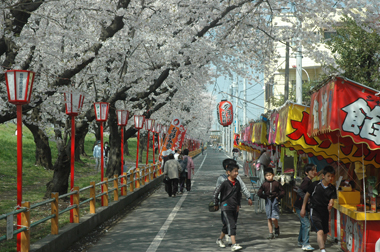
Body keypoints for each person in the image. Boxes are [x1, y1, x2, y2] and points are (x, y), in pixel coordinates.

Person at [215, 158, 253, 245]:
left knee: (230, 222)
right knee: (229, 222)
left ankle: (221, 238)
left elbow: (242, 188)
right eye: (234, 169)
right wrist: (219, 202)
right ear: (228, 168)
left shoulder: (237, 178)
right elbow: (217, 191)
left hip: (234, 204)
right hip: (225, 204)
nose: (236, 172)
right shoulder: (222, 179)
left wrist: (248, 197)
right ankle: (233, 242)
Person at [300, 166, 337, 252]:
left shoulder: (332, 188)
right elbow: (306, 196)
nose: (330, 178)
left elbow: (332, 198)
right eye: (328, 176)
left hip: (325, 211)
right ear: (323, 176)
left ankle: (322, 246)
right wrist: (303, 208)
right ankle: (322, 249)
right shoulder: (315, 185)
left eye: (332, 176)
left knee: (324, 232)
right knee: (319, 231)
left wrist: (331, 203)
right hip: (315, 210)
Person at [213, 164, 243, 251]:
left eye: (237, 171)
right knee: (232, 224)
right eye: (235, 171)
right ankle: (234, 244)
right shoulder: (225, 183)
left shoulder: (237, 183)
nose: (237, 173)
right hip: (225, 206)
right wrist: (216, 203)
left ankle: (219, 240)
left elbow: (239, 194)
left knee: (227, 225)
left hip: (234, 207)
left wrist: (238, 205)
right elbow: (216, 192)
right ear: (228, 172)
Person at [294, 164, 317, 251]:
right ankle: (305, 244)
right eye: (312, 170)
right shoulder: (306, 181)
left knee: (303, 224)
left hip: (301, 206)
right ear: (306, 172)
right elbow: (299, 190)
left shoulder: (309, 180)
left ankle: (300, 240)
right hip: (300, 206)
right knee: (306, 224)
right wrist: (307, 199)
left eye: (314, 170)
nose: (314, 172)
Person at [257, 167, 285, 239]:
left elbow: (283, 191)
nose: (268, 177)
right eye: (267, 175)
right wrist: (264, 196)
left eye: (270, 175)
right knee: (269, 217)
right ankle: (270, 233)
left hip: (274, 200)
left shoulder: (276, 183)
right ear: (264, 176)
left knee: (274, 218)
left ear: (273, 175)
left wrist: (278, 197)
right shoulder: (264, 184)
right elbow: (259, 192)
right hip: (268, 201)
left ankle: (276, 227)